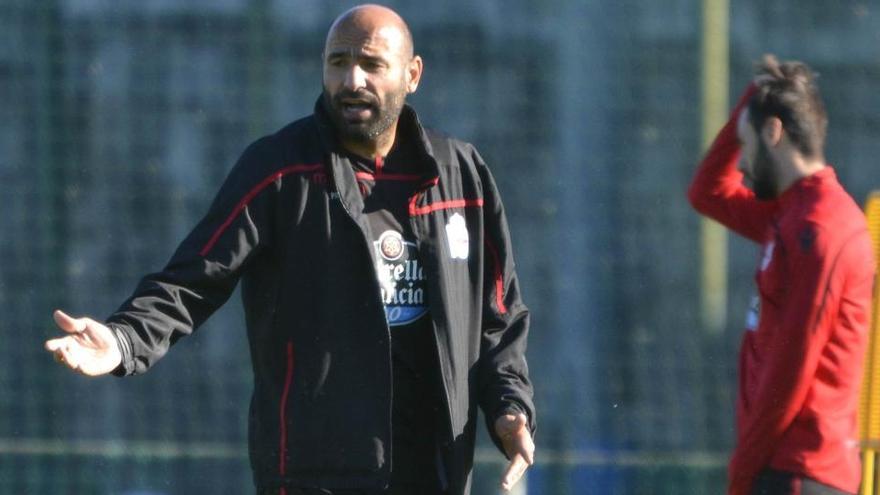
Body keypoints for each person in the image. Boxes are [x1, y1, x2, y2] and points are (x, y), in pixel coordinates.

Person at [44, 5, 535, 495]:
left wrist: (510, 409)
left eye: (371, 65)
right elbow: (194, 278)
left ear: (413, 74)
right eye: (337, 62)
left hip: (436, 474)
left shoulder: (462, 176)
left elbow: (499, 318)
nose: (352, 80)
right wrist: (123, 340)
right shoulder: (279, 170)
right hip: (311, 477)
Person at [688, 55, 876, 495]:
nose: (745, 163)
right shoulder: (789, 214)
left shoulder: (823, 229)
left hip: (802, 475)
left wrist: (742, 472)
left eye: (746, 145)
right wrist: (750, 102)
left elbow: (792, 367)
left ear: (773, 133)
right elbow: (707, 191)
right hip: (779, 469)